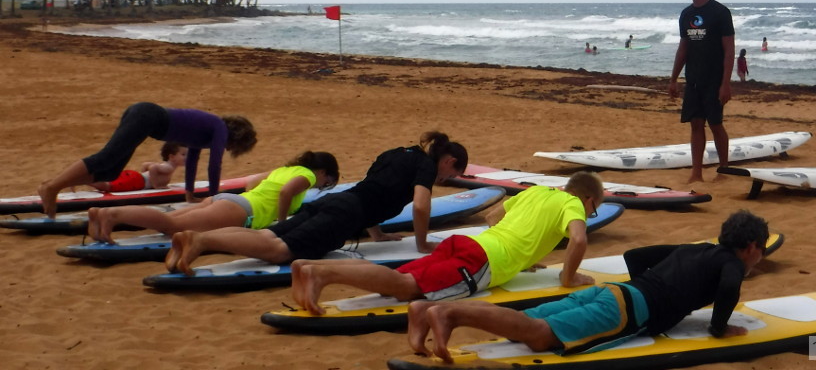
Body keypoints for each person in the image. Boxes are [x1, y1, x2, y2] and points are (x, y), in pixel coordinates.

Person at [407, 210, 769, 362]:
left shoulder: (697, 250)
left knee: (524, 323)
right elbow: (729, 286)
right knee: (537, 335)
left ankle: (424, 309)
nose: (760, 258)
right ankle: (449, 313)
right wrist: (719, 327)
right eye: (761, 252)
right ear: (750, 247)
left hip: (614, 293)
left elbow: (636, 255)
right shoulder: (730, 263)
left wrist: (658, 287)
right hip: (625, 310)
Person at [289, 171, 605, 315]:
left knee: (397, 284)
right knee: (404, 287)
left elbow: (493, 217)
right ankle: (322, 274)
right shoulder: (573, 204)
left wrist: (525, 253)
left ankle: (312, 267)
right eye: (595, 209)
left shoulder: (536, 191)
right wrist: (568, 277)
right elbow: (578, 240)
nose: (591, 214)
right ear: (587, 198)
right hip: (483, 263)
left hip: (467, 245)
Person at [164, 131, 467, 276]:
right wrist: (422, 243)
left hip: (337, 201)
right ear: (449, 160)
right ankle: (199, 242)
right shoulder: (426, 166)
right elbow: (420, 206)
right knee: (281, 252)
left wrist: (377, 235)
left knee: (268, 235)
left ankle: (197, 239)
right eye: (450, 175)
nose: (445, 180)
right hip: (344, 214)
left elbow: (374, 190)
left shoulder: (398, 152)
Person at [37, 102, 258, 218]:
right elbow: (214, 164)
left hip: (145, 117)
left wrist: (189, 193)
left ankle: (53, 185)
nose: (231, 149)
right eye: (236, 146)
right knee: (106, 157)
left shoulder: (207, 134)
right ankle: (53, 187)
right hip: (147, 115)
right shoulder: (219, 127)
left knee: (111, 171)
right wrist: (215, 197)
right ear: (237, 136)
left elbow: (192, 159)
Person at [87, 151, 340, 244]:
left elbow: (252, 181)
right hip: (242, 210)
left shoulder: (285, 169)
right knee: (172, 227)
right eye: (327, 181)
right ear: (322, 171)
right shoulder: (306, 175)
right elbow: (286, 193)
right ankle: (112, 213)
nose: (322, 184)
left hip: (232, 201)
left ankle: (101, 215)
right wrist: (282, 220)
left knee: (168, 221)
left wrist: (257, 197)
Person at [668, 0, 736, 183]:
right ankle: (696, 173)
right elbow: (683, 49)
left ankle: (724, 170)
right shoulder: (686, 14)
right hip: (693, 79)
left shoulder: (720, 12)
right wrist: (673, 79)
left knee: (715, 124)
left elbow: (729, 50)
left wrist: (726, 83)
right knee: (696, 124)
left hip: (714, 79)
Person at [90, 142, 187, 192]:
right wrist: (155, 186)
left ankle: (86, 178)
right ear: (172, 157)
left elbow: (146, 165)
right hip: (137, 181)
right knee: (108, 186)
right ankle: (85, 179)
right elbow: (153, 168)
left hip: (136, 178)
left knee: (108, 184)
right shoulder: (168, 168)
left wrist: (144, 177)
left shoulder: (166, 166)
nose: (187, 157)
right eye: (183, 154)